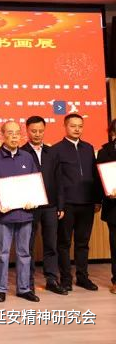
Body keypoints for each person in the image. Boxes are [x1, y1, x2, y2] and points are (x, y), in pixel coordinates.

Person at [0, 121, 39, 303]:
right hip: (3, 215)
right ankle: (1, 289)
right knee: (2, 253)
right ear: (3, 135)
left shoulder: (28, 157)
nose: (15, 136)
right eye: (10, 132)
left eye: (17, 132)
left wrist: (34, 200)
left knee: (24, 253)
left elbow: (35, 183)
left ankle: (24, 289)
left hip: (25, 214)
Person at [51, 113, 102, 291]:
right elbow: (55, 179)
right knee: (64, 243)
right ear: (65, 126)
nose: (77, 129)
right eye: (73, 126)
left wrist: (97, 199)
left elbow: (95, 175)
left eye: (80, 126)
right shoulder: (56, 149)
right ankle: (66, 279)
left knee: (83, 243)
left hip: (87, 203)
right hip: (67, 204)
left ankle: (82, 277)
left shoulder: (88, 148)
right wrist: (59, 204)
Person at [20, 116, 68, 295]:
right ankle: (28, 281)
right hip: (29, 206)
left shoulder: (52, 152)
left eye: (40, 131)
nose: (37, 134)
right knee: (28, 246)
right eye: (34, 131)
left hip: (50, 206)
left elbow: (59, 180)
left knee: (51, 245)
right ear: (27, 130)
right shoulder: (21, 152)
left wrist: (60, 205)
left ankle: (51, 279)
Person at [97, 118, 116, 294]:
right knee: (115, 244)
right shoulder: (104, 152)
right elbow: (99, 179)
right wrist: (107, 191)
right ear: (112, 133)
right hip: (114, 206)